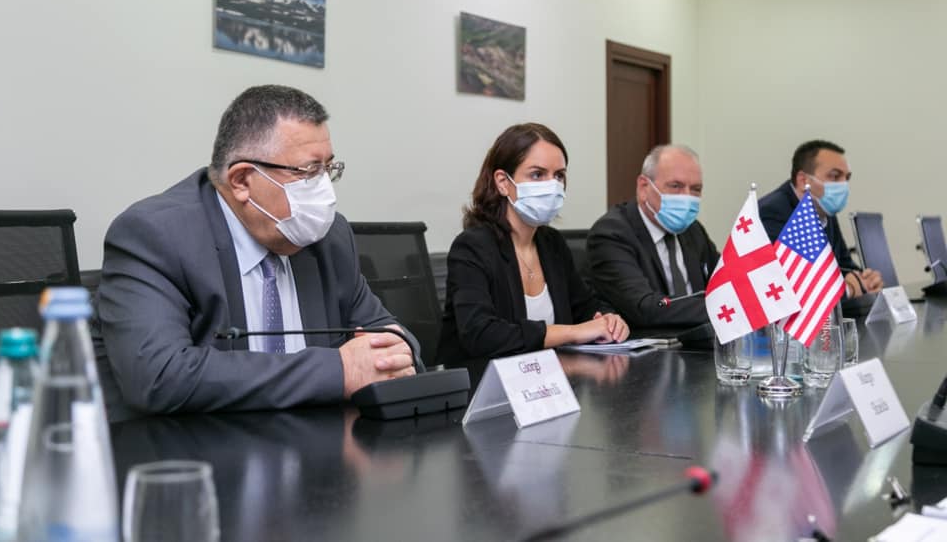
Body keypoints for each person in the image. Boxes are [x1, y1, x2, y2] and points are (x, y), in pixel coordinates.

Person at [95, 85, 421, 418]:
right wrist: (339, 370)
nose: (325, 191)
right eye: (308, 171)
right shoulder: (156, 236)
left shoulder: (330, 237)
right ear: (241, 181)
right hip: (208, 444)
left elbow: (391, 336)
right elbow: (160, 376)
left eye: (328, 169)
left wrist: (398, 350)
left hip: (321, 441)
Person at [436, 123, 628, 366]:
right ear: (503, 182)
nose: (552, 185)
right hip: (481, 381)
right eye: (537, 174)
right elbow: (481, 334)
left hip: (548, 379)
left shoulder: (552, 243)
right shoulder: (472, 247)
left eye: (559, 175)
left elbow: (586, 306)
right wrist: (573, 332)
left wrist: (608, 319)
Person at [587, 145, 720, 329]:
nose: (687, 198)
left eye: (696, 189)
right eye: (676, 186)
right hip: (647, 343)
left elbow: (725, 283)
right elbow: (645, 307)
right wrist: (723, 308)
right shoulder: (611, 234)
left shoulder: (693, 230)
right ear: (644, 187)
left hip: (699, 339)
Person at [758, 139, 882, 298]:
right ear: (803, 180)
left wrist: (867, 280)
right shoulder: (773, 212)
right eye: (835, 176)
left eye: (846, 178)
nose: (843, 185)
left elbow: (844, 266)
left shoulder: (824, 209)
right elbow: (790, 286)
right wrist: (849, 289)